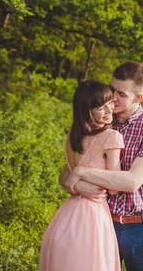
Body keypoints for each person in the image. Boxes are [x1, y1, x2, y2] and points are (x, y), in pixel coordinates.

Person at [59, 61, 143, 271]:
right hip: (101, 223)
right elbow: (66, 173)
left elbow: (132, 181)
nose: (113, 99)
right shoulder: (99, 121)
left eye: (121, 94)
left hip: (141, 228)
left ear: (139, 98)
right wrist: (76, 184)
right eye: (112, 90)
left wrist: (81, 173)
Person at [39, 80, 124, 271]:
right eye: (101, 107)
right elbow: (114, 186)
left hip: (66, 216)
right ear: (87, 111)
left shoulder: (72, 135)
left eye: (110, 103)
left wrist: (79, 181)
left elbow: (69, 173)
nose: (110, 111)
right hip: (92, 217)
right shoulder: (112, 137)